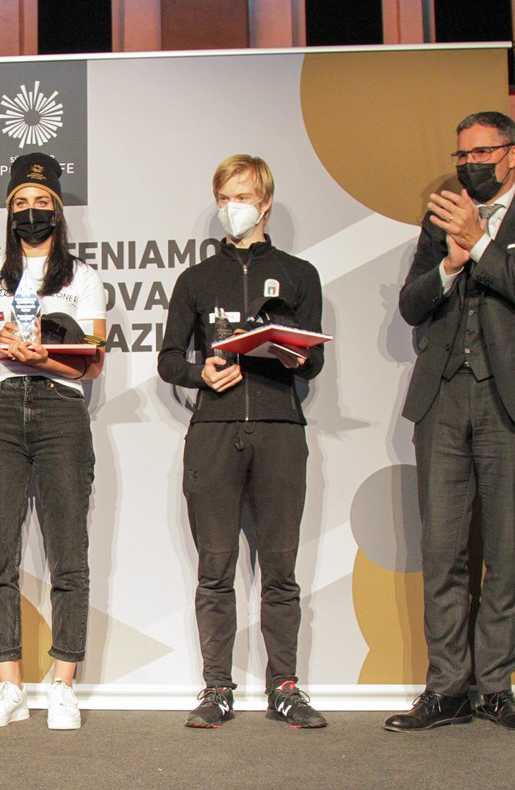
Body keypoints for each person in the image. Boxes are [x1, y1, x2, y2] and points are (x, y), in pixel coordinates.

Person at [386, 111, 515, 733]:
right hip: (443, 398)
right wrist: (450, 262)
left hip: (510, 399)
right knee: (442, 550)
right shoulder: (439, 224)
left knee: (504, 550)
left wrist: (483, 245)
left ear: (512, 155)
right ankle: (447, 689)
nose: (470, 163)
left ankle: (496, 687)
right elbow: (413, 305)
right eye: (462, 153)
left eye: (483, 152)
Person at [157, 154, 327, 730]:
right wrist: (199, 373)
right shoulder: (196, 279)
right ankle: (217, 690)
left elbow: (315, 362)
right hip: (214, 432)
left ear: (266, 201)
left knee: (280, 569)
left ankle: (285, 688)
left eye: (245, 196)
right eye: (226, 197)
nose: (235, 207)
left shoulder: (300, 274)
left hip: (280, 430)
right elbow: (167, 358)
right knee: (216, 568)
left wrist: (286, 349)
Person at [0, 153, 105, 730]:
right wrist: (1, 344)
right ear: (8, 212)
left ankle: (63, 683)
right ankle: (10, 686)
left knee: (69, 551)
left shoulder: (83, 278)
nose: (31, 212)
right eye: (20, 203)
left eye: (41, 203)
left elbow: (92, 364)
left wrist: (47, 356)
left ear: (58, 212)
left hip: (61, 411)